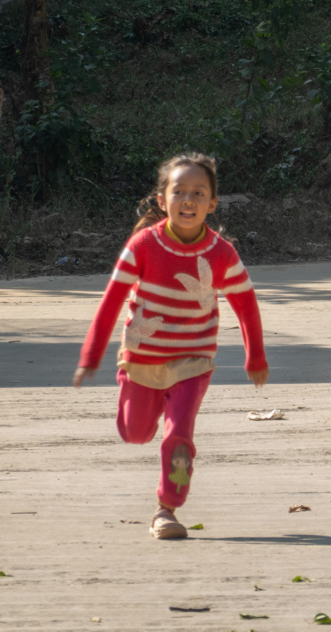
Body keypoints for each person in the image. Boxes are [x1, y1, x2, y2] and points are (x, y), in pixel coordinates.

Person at [73, 153, 269, 540]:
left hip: (193, 361)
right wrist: (91, 356)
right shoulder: (143, 245)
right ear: (162, 200)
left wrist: (255, 355)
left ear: (212, 204)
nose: (189, 200)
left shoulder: (220, 253)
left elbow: (245, 302)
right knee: (134, 432)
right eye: (179, 192)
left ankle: (167, 509)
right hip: (143, 359)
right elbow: (112, 299)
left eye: (199, 193)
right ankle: (145, 410)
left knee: (179, 435)